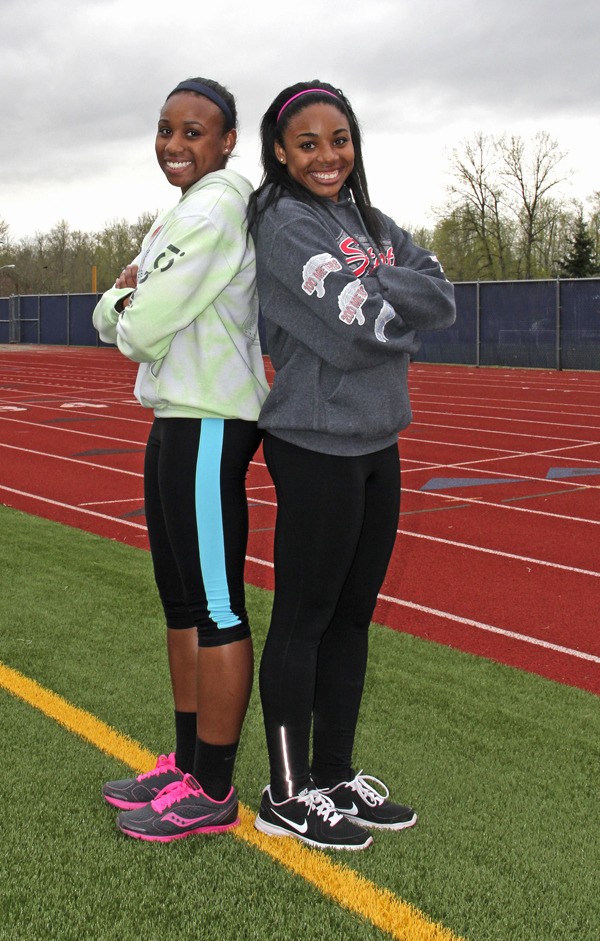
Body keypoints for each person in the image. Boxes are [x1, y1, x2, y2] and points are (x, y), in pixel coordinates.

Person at [247, 81, 456, 851]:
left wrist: (378, 287)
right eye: (308, 143)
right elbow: (361, 331)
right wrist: (388, 294)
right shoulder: (279, 221)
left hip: (378, 443)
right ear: (280, 150)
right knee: (304, 618)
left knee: (353, 617)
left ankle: (332, 776)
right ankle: (285, 790)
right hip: (314, 444)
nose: (328, 156)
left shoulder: (370, 222)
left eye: (340, 139)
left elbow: (443, 300)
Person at [93, 77, 269, 842]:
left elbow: (138, 322)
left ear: (227, 141)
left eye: (194, 131)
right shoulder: (184, 209)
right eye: (166, 129)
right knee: (181, 602)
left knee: (216, 604)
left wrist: (126, 305)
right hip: (175, 416)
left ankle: (216, 788)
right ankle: (188, 763)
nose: (174, 144)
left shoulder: (221, 204)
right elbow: (120, 308)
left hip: (208, 419)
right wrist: (123, 304)